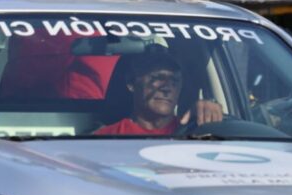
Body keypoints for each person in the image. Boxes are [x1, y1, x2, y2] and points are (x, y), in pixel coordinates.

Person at [95, 52, 223, 136]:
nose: (167, 88)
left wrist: (212, 114)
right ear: (131, 83)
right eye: (157, 78)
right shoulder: (105, 136)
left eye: (175, 81)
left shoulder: (194, 133)